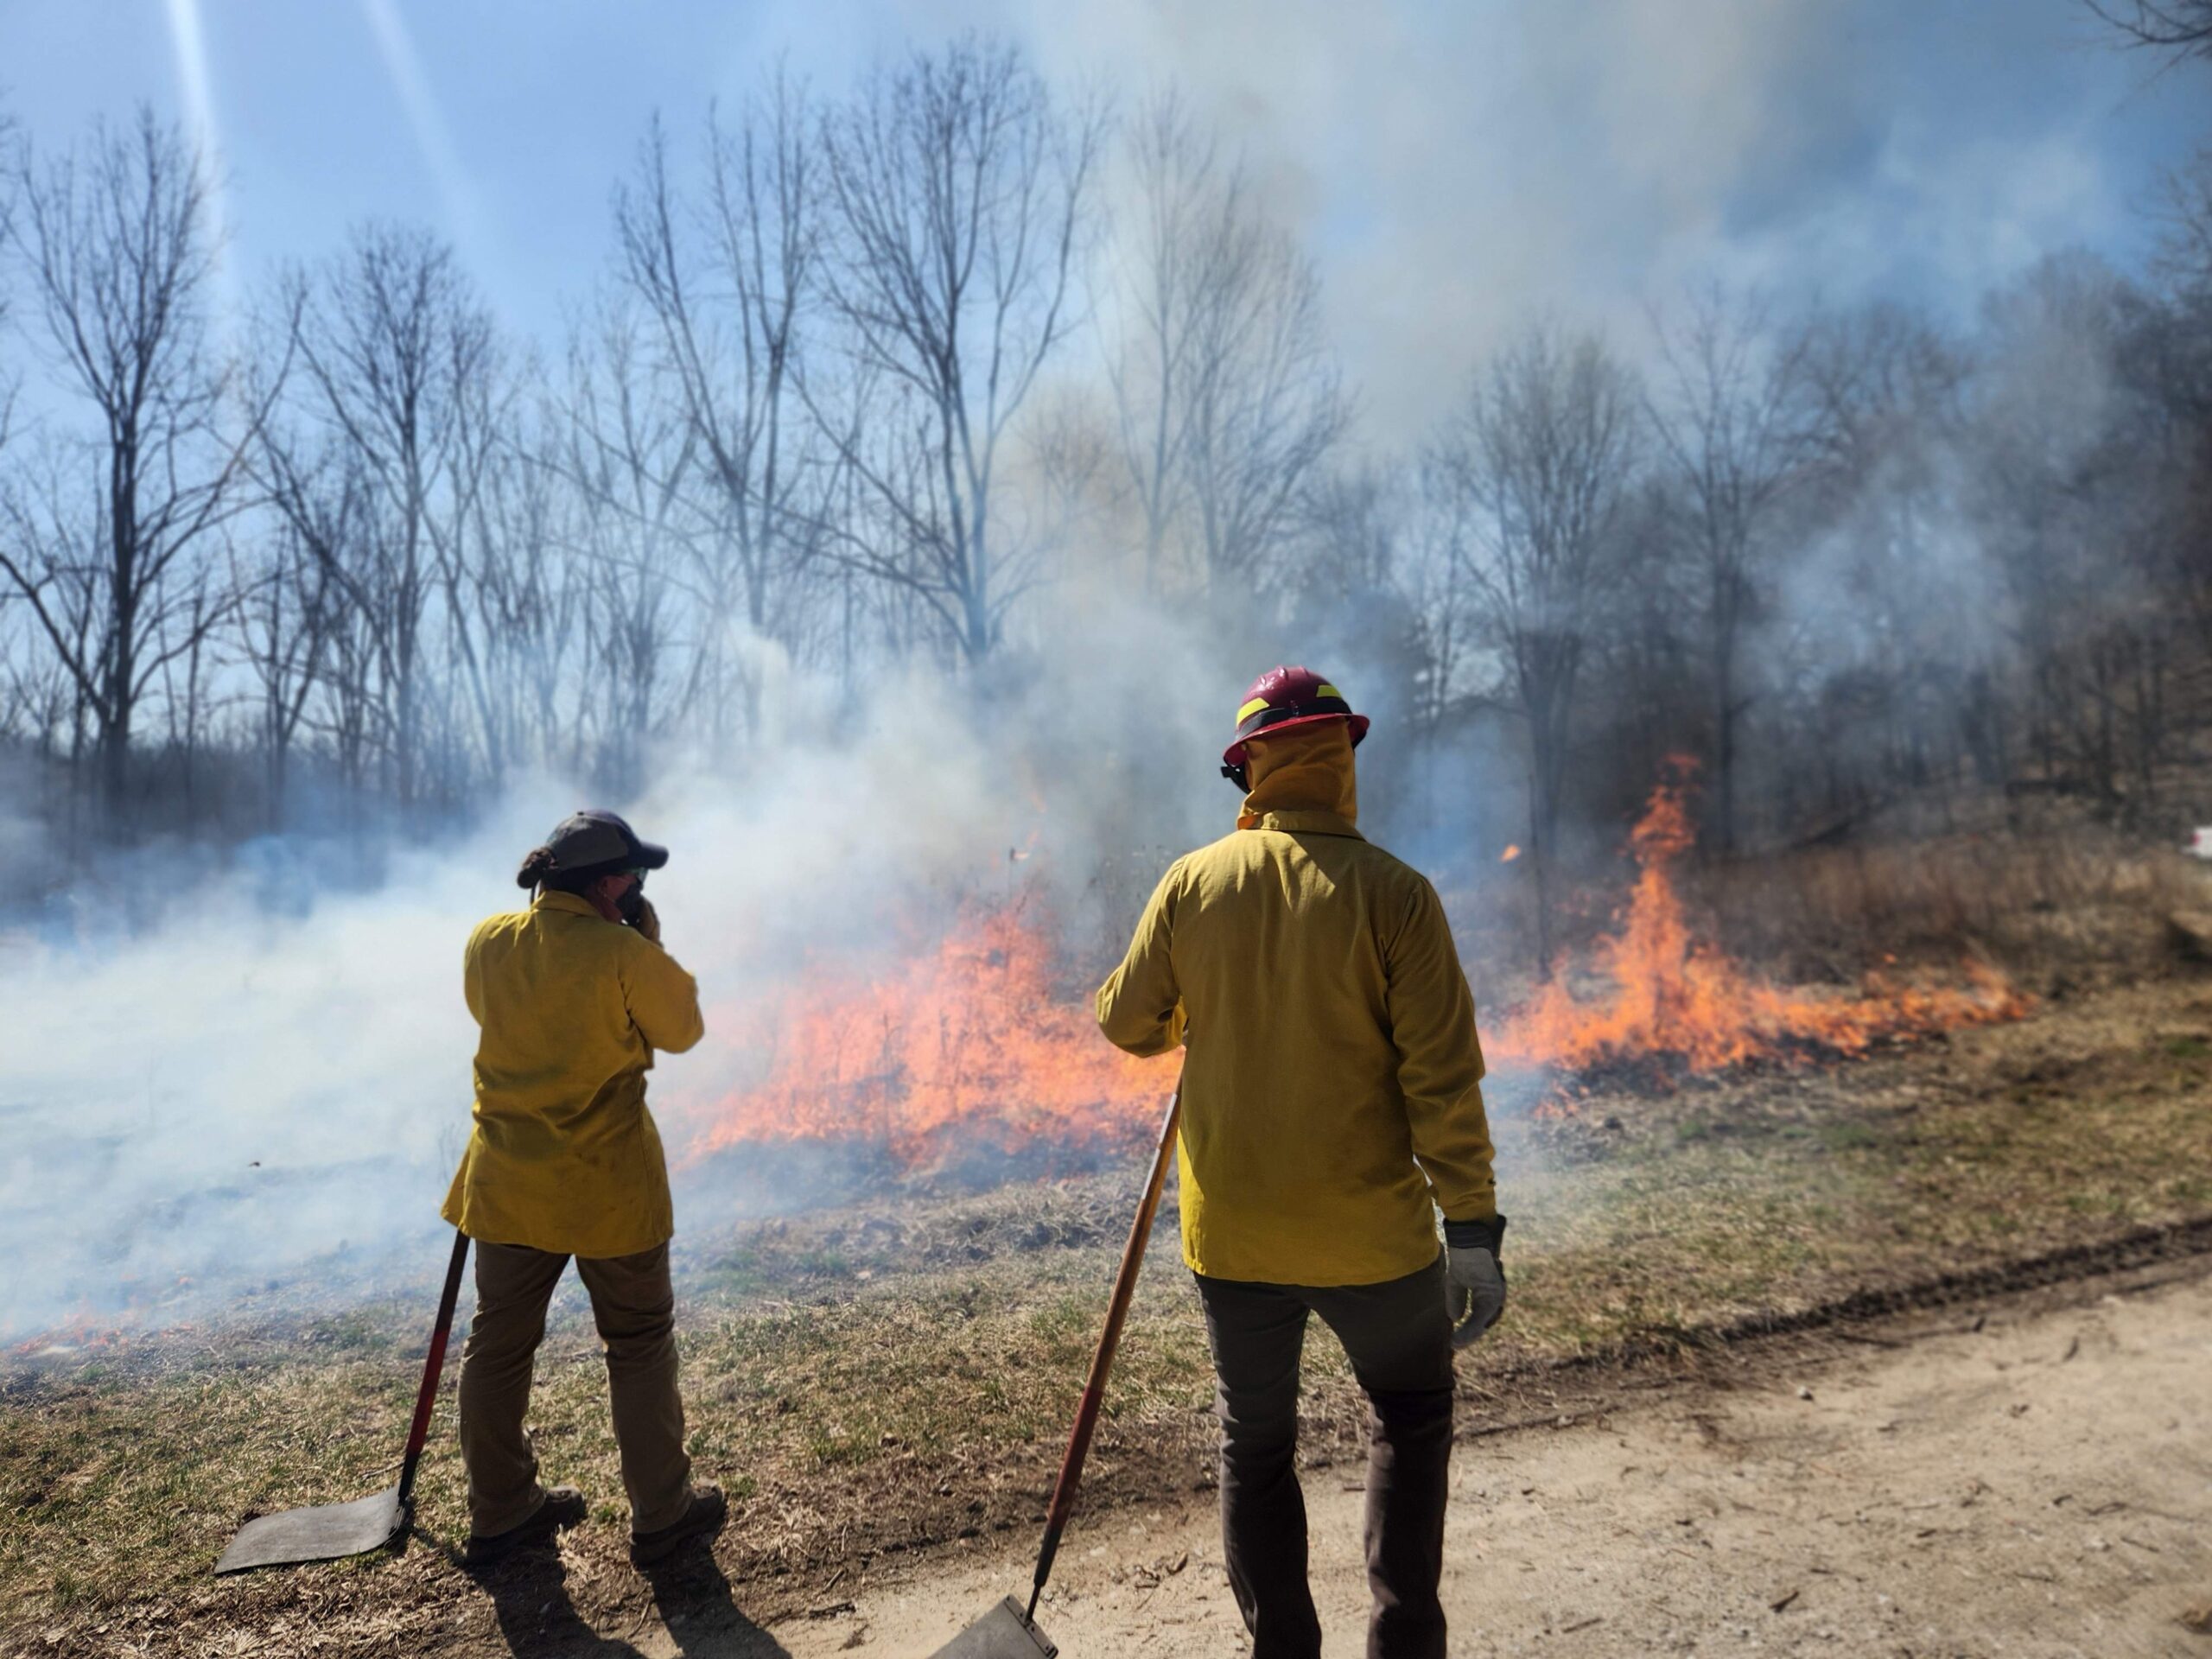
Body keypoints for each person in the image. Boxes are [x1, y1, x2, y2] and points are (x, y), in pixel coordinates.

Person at [1096, 667, 1505, 1659]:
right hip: (1376, 1241)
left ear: (1248, 770)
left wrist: (1194, 1007)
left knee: (1257, 1443)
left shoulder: (1193, 884)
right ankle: (1404, 1640)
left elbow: (1124, 1022)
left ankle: (1283, 1648)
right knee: (1409, 1419)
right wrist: (1475, 1232)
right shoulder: (1397, 896)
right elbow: (1441, 1081)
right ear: (1342, 760)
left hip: (1234, 1235)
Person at [442, 808, 726, 1568]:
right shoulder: (623, 952)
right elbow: (683, 1028)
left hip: (507, 1182)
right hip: (608, 1188)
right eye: (632, 880)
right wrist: (643, 941)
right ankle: (663, 1515)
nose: (637, 890)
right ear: (606, 885)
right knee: (637, 1345)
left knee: (497, 1345)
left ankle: (501, 1511)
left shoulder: (487, 940)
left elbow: (492, 1012)